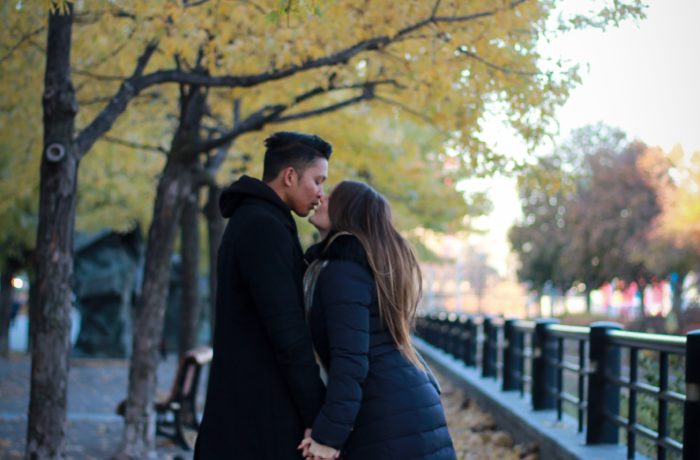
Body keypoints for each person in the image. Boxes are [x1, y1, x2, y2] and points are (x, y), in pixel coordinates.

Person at [194, 132, 331, 459]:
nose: (320, 194)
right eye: (318, 180)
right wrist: (318, 414)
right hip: (257, 417)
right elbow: (288, 332)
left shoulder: (262, 220)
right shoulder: (263, 227)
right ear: (289, 176)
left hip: (249, 408)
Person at [299, 181, 457, 460]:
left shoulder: (342, 273)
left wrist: (327, 438)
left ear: (346, 212)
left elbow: (350, 362)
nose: (321, 197)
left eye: (332, 197)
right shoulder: (355, 269)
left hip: (389, 416)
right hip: (402, 408)